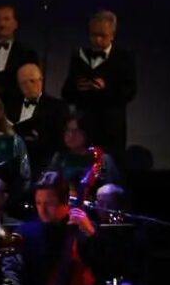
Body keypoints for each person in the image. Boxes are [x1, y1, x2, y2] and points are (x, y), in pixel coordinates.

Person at [60, 10, 137, 151]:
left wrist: (105, 88)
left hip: (111, 131)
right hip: (83, 130)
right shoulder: (79, 57)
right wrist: (77, 87)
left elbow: (129, 92)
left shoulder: (123, 58)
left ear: (112, 35)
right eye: (93, 35)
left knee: (108, 163)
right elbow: (66, 93)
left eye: (102, 36)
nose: (97, 40)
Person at [10, 63, 69, 177]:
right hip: (14, 165)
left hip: (42, 166)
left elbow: (61, 142)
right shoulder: (10, 106)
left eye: (32, 81)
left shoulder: (57, 106)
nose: (28, 86)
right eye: (23, 83)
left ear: (41, 80)